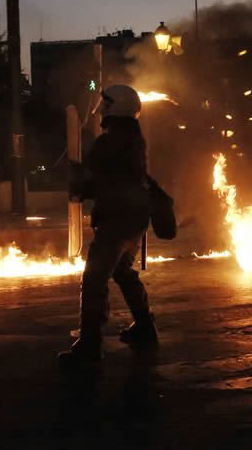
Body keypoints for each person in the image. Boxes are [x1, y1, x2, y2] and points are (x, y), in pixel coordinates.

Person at [59, 85, 156, 367]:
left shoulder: (111, 140)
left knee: (94, 280)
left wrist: (76, 175)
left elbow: (94, 177)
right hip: (134, 218)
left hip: (116, 219)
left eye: (105, 104)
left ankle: (90, 345)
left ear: (116, 107)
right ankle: (145, 326)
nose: (100, 109)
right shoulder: (134, 138)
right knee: (123, 271)